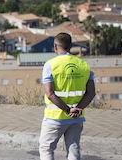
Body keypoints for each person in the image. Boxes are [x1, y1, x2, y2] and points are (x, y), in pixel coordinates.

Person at [39, 32, 96, 160]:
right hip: (77, 118)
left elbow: (50, 93)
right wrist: (78, 109)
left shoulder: (50, 65)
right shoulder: (84, 65)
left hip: (55, 118)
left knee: (46, 149)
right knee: (73, 149)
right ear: (70, 46)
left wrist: (67, 110)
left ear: (55, 46)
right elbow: (91, 92)